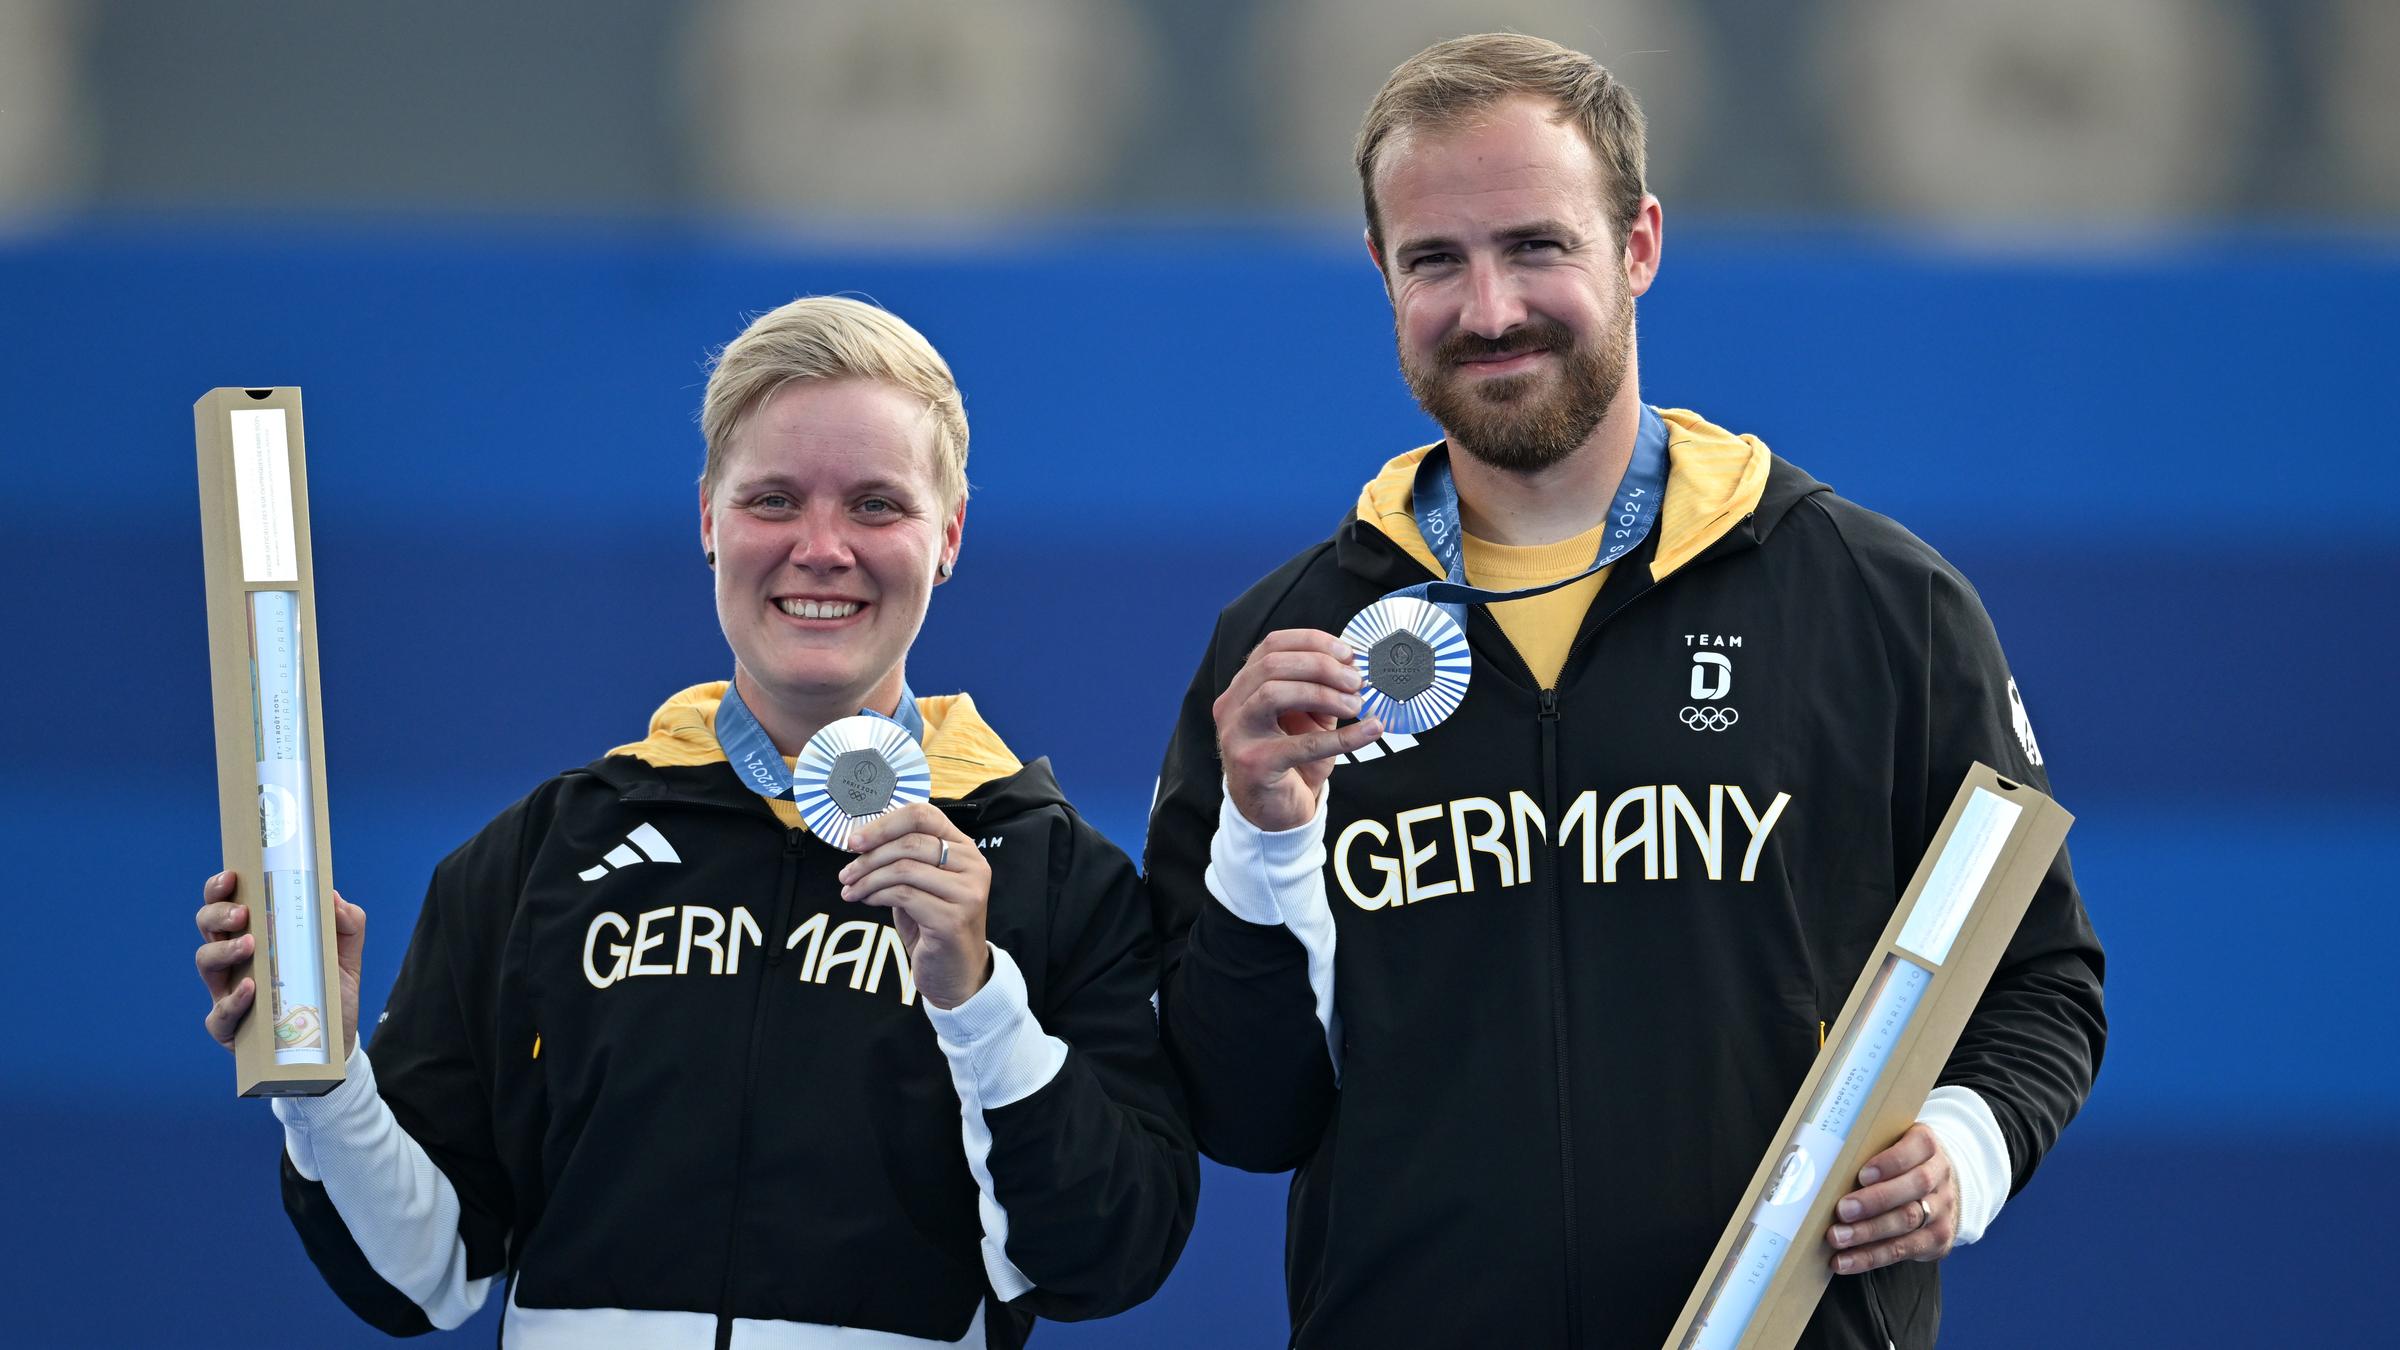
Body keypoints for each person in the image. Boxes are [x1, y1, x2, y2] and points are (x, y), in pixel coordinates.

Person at [1145, 33, 2105, 1350]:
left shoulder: (1879, 603)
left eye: (1536, 246)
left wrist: (1965, 1148)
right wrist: (1260, 844)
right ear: (1382, 272)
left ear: (1639, 244)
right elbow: (1246, 1115)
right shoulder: (1283, 656)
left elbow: (2041, 977)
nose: (1490, 309)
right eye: (1435, 260)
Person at [194, 296, 1197, 1348]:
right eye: (774, 500)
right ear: (709, 520)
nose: (822, 548)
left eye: (875, 505)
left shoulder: (1048, 873)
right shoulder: (542, 857)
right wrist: (322, 1077)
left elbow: (1106, 1258)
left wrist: (980, 1004)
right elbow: (424, 1275)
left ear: (946, 536)